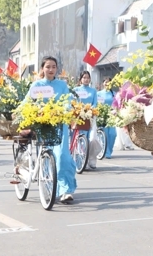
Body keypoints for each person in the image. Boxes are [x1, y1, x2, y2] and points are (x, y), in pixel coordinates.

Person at [23, 56, 78, 203]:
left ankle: (66, 190)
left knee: (62, 157)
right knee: (45, 157)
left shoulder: (62, 85)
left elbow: (68, 101)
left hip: (60, 124)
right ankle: (48, 186)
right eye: (48, 66)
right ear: (42, 69)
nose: (51, 69)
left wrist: (64, 111)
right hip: (43, 125)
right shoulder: (36, 85)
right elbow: (27, 102)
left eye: (53, 66)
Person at [73, 70, 99, 170]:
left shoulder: (93, 91)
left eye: (88, 78)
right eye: (84, 77)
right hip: (79, 118)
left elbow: (95, 103)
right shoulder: (76, 90)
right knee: (80, 141)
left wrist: (89, 110)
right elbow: (73, 102)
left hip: (90, 117)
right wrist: (79, 110)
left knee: (92, 139)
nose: (86, 79)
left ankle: (91, 160)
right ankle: (79, 162)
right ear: (80, 79)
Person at [98, 79, 117, 159]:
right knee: (104, 134)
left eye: (109, 82)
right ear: (103, 83)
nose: (107, 83)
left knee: (113, 134)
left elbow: (117, 104)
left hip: (111, 116)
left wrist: (115, 110)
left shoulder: (114, 94)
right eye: (105, 82)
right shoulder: (98, 94)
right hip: (102, 116)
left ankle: (110, 150)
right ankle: (105, 151)